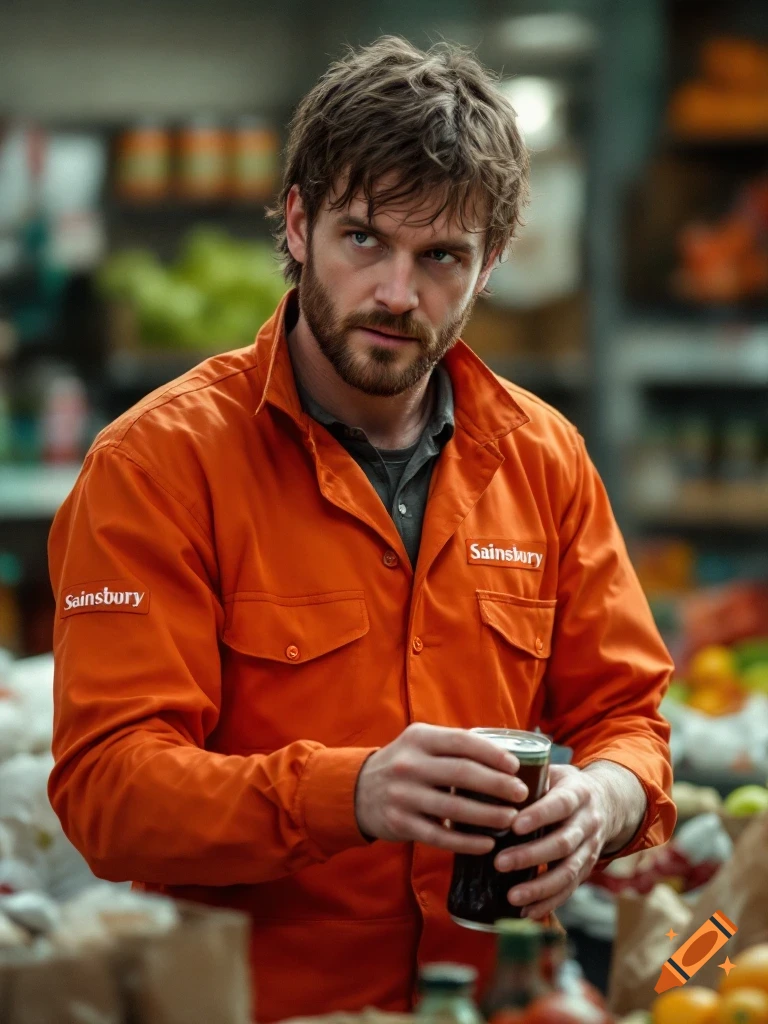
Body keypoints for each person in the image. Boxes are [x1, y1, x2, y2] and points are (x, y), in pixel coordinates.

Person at [48, 36, 675, 1023]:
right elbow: (108, 793)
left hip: (498, 1002)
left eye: (442, 258)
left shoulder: (545, 459)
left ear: (491, 265)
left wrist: (602, 801)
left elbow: (630, 721)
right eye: (365, 240)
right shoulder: (158, 465)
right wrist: (350, 790)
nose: (397, 293)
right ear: (297, 223)